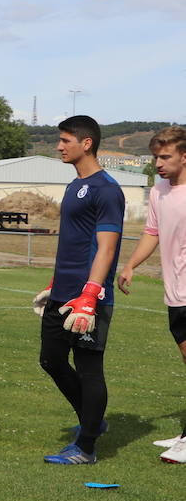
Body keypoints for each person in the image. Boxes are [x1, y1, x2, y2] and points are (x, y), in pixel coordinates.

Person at [33, 115, 124, 466]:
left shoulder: (107, 189)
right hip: (62, 292)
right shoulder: (74, 187)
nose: (59, 146)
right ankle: (93, 421)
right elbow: (74, 243)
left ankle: (86, 446)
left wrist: (90, 295)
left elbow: (106, 248)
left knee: (89, 369)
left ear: (86, 143)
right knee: (51, 360)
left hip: (89, 298)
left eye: (65, 140)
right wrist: (55, 284)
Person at [118, 125, 186, 463]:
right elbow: (152, 232)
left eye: (165, 156)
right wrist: (130, 265)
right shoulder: (159, 191)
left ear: (184, 156)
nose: (158, 163)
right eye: (155, 157)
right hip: (175, 292)